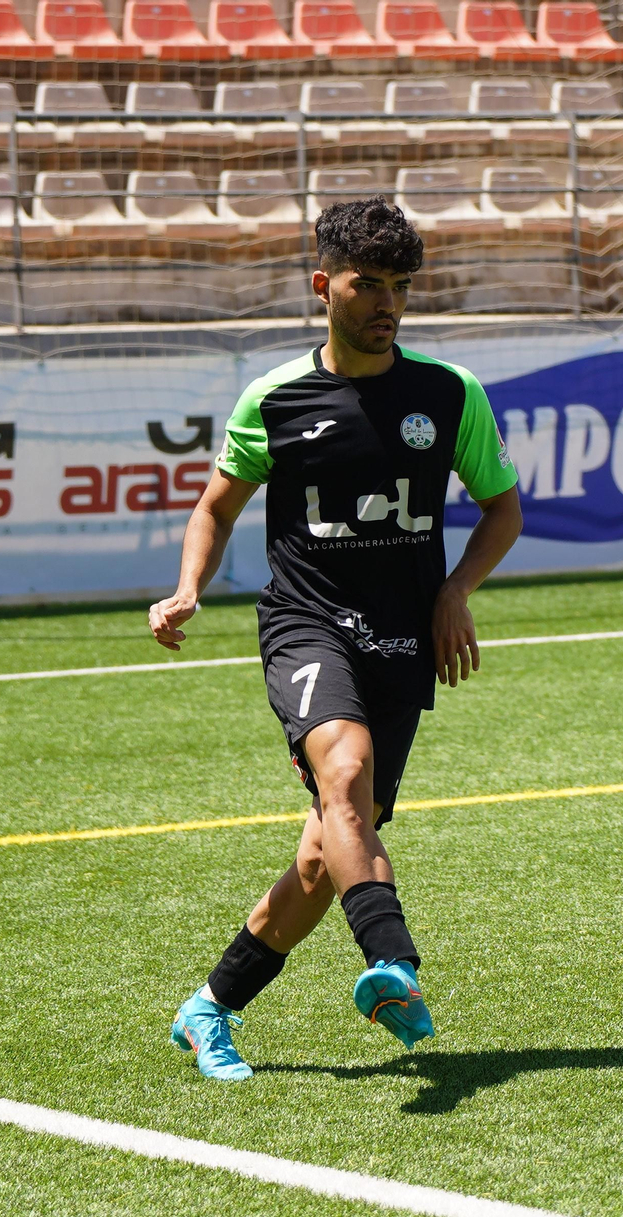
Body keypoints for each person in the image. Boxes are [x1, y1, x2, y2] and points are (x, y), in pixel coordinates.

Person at [149, 197, 524, 1079]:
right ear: (324, 287)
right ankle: (392, 961)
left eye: (400, 286)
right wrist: (187, 589)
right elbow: (216, 507)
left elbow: (502, 508)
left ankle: (208, 1007)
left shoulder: (448, 393)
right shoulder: (275, 398)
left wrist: (455, 590)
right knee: (343, 772)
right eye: (368, 284)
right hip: (305, 623)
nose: (387, 302)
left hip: (403, 639)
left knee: (325, 853)